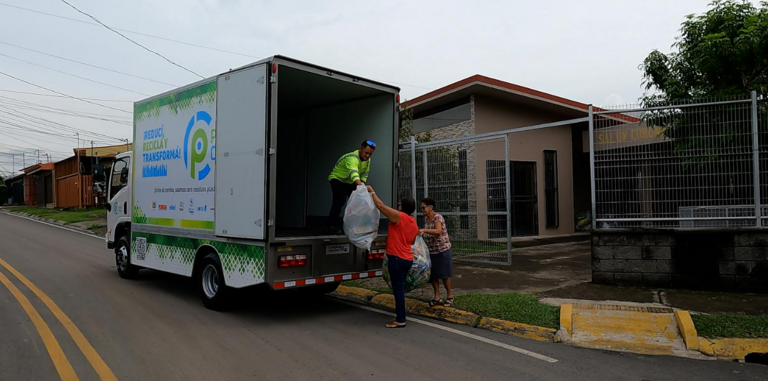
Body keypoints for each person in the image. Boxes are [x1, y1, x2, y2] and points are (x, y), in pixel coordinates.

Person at [367, 185, 417, 328]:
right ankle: (401, 315)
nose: (398, 206)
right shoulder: (413, 222)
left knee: (398, 290)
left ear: (402, 207)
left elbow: (380, 206)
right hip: (408, 258)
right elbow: (411, 241)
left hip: (397, 259)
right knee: (399, 287)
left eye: (399, 204)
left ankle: (400, 319)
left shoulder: (399, 216)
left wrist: (372, 191)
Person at [326, 140, 376, 234]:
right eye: (366, 153)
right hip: (338, 179)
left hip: (349, 181)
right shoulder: (352, 158)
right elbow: (354, 174)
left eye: (370, 154)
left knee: (355, 202)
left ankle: (352, 226)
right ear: (360, 149)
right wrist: (362, 188)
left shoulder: (367, 160)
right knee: (340, 200)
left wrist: (362, 184)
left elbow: (364, 174)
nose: (368, 156)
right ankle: (330, 226)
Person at [419, 197, 454, 308]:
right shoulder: (426, 220)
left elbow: (438, 231)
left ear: (431, 207)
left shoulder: (437, 217)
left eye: (424, 207)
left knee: (444, 274)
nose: (422, 210)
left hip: (442, 250)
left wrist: (424, 230)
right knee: (433, 275)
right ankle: (437, 297)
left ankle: (450, 296)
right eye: (421, 208)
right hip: (431, 252)